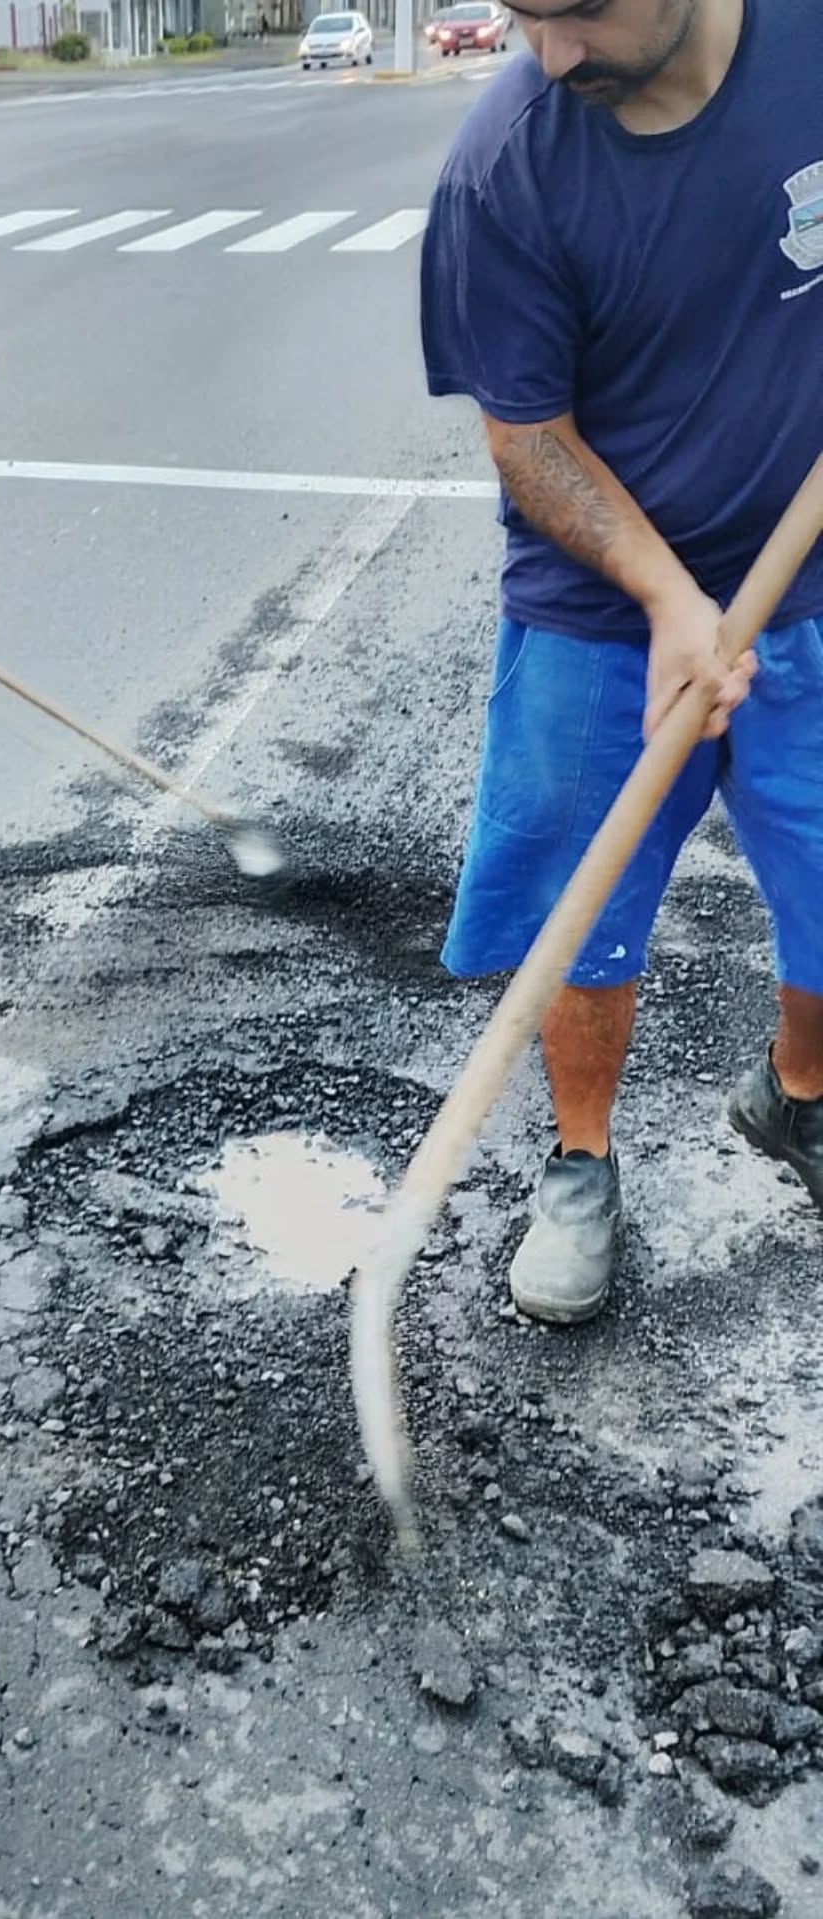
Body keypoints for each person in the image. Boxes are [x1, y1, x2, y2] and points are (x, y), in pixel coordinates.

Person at [420, 0, 823, 1323]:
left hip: (808, 565)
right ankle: (581, 1159)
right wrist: (665, 596)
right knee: (577, 912)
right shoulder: (508, 167)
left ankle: (797, 1093)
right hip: (598, 607)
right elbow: (526, 437)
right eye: (526, 15)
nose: (552, 55)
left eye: (579, 12)